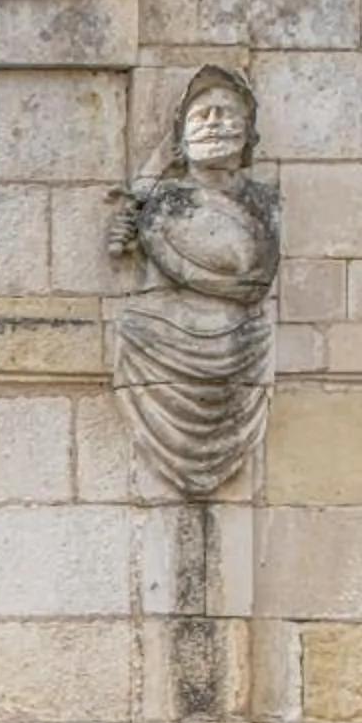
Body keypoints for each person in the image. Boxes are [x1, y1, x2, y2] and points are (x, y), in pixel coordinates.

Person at [106, 67, 281, 495]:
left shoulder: (265, 202)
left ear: (248, 134)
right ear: (180, 139)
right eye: (202, 116)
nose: (215, 123)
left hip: (244, 342)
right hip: (161, 339)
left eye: (227, 114)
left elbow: (255, 276)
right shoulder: (162, 204)